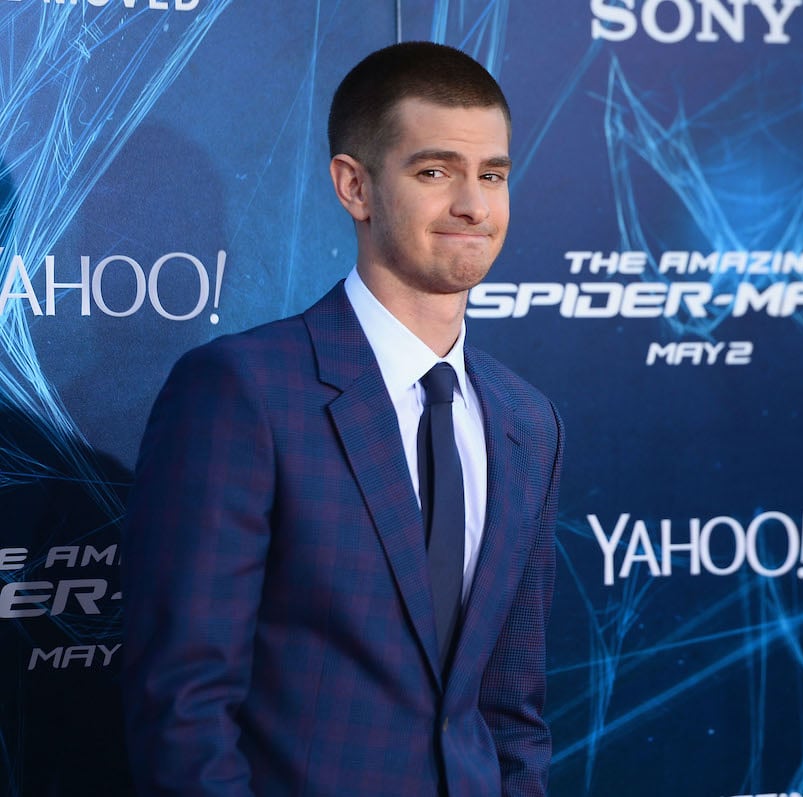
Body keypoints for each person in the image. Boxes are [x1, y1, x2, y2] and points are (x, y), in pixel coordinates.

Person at [121, 41, 564, 797]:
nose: (474, 205)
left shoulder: (527, 421)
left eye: (493, 174)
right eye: (435, 171)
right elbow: (184, 706)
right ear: (354, 187)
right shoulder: (243, 393)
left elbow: (510, 710)